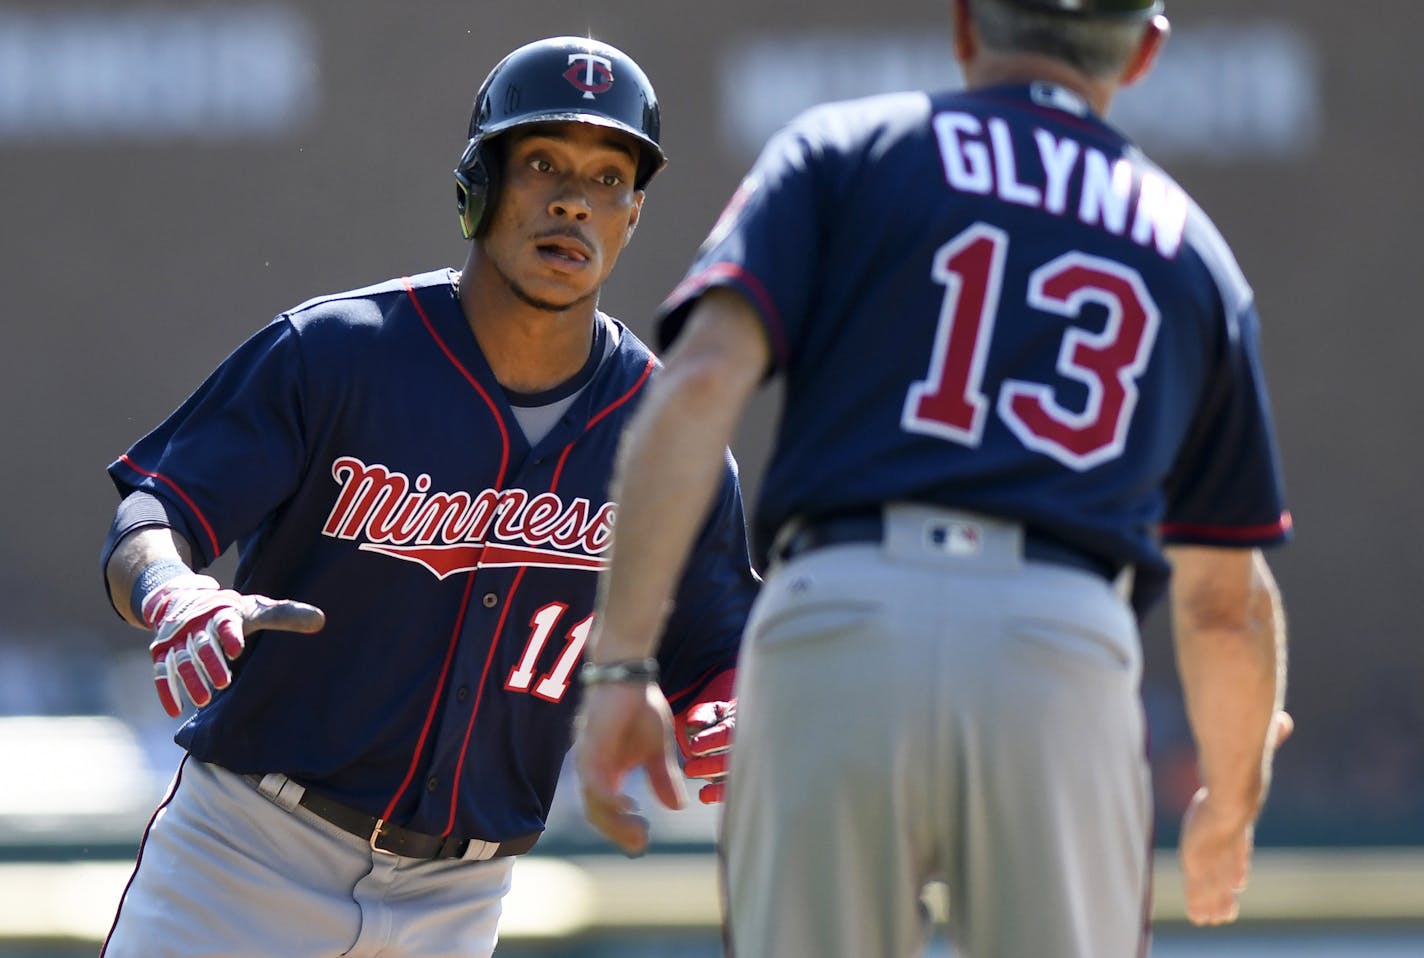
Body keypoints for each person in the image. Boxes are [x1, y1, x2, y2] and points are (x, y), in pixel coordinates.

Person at [572, 2, 1295, 955]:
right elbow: (1223, 605)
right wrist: (1230, 805)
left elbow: (699, 385)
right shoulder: (1192, 248)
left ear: (964, 22)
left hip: (839, 618)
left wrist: (622, 663)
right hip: (1060, 647)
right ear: (1146, 51)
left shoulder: (845, 147)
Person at [97, 36, 754, 958]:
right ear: (477, 186)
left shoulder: (665, 434)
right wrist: (171, 588)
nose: (574, 198)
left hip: (464, 897)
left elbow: (718, 644)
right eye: (541, 164)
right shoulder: (337, 352)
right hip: (249, 855)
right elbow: (151, 513)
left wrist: (733, 704)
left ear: (635, 213)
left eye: (609, 177)